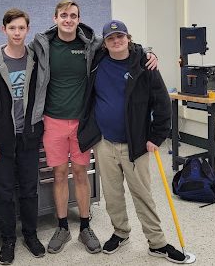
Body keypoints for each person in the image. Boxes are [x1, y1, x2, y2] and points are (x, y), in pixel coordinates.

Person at [0, 0, 159, 255]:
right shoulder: (42, 45)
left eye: (73, 15)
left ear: (78, 18)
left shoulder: (92, 44)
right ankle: (62, 226)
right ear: (55, 18)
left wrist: (148, 53)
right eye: (63, 15)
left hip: (82, 122)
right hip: (52, 122)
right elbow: (11, 50)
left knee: (81, 172)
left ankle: (85, 225)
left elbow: (119, 43)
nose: (68, 19)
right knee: (60, 174)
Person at [78, 20, 187, 264]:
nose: (116, 41)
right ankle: (120, 232)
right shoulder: (98, 63)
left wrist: (156, 137)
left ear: (128, 38)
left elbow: (162, 104)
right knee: (112, 194)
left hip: (136, 143)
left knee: (142, 195)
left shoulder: (144, 65)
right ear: (104, 44)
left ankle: (157, 243)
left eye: (120, 36)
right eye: (110, 38)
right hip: (104, 142)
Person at [0, 8, 45, 265]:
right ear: (3, 29)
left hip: (28, 136)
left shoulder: (37, 59)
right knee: (4, 192)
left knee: (29, 189)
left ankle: (30, 235)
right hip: (3, 140)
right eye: (12, 28)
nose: (17, 33)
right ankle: (8, 240)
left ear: (28, 30)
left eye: (21, 28)